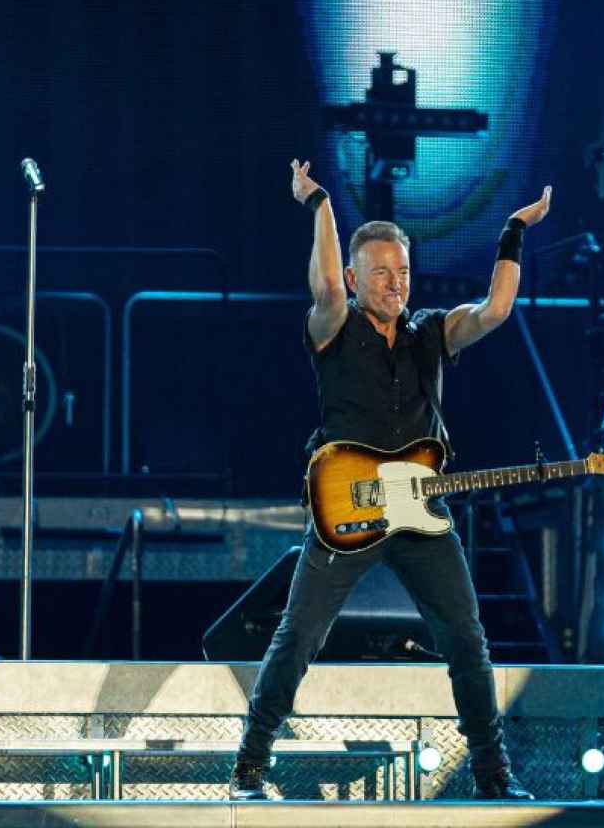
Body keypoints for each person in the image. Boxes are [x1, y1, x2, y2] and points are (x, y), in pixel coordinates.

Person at [227, 160, 550, 802]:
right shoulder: (335, 325)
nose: (395, 283)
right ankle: (248, 768)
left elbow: (496, 309)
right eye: (381, 272)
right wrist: (319, 201)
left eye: (402, 272)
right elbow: (323, 285)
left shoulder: (432, 332)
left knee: (465, 636)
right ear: (355, 277)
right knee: (298, 636)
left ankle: (492, 773)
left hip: (419, 514)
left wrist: (512, 230)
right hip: (345, 505)